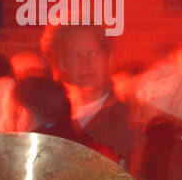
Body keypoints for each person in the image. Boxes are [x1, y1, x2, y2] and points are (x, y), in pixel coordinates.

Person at [41, 18, 136, 165]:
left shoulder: (131, 122)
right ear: (58, 65)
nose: (85, 64)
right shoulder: (45, 120)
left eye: (92, 54)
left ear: (109, 59)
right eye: (73, 56)